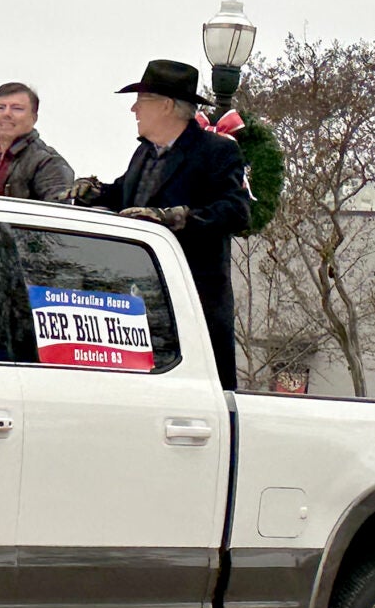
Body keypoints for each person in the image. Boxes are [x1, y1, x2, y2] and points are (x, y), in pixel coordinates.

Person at [66, 59, 251, 389]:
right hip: (142, 300)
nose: (134, 109)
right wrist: (93, 192)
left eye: (142, 101)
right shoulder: (144, 154)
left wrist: (174, 217)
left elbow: (236, 211)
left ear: (166, 106)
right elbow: (125, 195)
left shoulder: (216, 152)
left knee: (199, 395)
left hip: (193, 302)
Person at [0, 82, 74, 201]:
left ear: (34, 117)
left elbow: (56, 215)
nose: (6, 114)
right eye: (0, 108)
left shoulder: (48, 163)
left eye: (17, 108)